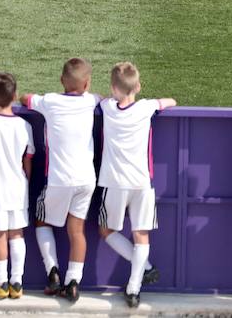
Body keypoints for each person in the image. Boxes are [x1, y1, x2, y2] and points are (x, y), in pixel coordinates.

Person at [23, 58, 102, 302]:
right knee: (76, 230)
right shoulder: (90, 101)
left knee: (41, 221)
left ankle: (53, 271)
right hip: (86, 179)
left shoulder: (49, 101)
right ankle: (73, 282)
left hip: (58, 179)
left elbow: (26, 98)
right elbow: (99, 97)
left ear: (61, 81)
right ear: (87, 83)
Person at [98, 62, 175, 308]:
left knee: (106, 231)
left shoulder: (107, 107)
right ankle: (134, 288)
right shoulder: (146, 107)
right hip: (142, 182)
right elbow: (170, 101)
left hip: (113, 182)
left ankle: (147, 268)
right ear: (138, 86)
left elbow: (98, 99)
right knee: (141, 234)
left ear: (113, 88)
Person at [0, 72, 33, 300]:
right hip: (18, 186)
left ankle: (1, 283)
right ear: (15, 95)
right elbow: (27, 159)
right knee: (17, 234)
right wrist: (26, 181)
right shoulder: (24, 126)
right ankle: (17, 282)